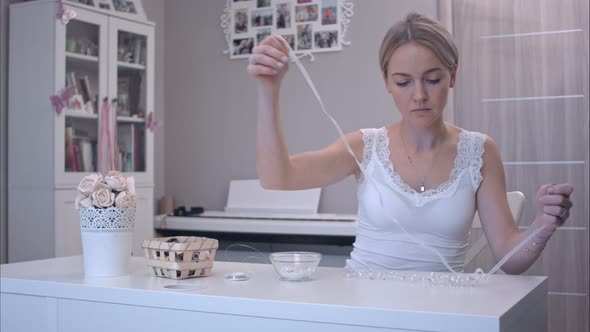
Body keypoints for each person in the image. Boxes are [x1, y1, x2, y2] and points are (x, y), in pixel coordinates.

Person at [246, 13, 574, 274]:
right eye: (403, 82)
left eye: (433, 79)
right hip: (364, 307)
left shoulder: (480, 152)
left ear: (453, 76)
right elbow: (277, 177)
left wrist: (543, 225)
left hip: (442, 314)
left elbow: (510, 260)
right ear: (387, 82)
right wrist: (268, 89)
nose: (419, 95)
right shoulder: (364, 146)